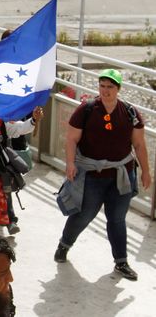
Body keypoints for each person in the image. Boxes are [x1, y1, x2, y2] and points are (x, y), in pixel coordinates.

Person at [54, 68, 151, 281]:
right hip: (92, 175)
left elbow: (139, 144)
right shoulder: (87, 109)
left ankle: (121, 262)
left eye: (110, 87)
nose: (105, 91)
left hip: (121, 174)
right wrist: (70, 163)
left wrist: (146, 171)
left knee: (117, 219)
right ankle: (64, 244)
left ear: (118, 89)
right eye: (102, 86)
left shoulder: (130, 112)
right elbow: (71, 139)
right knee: (83, 215)